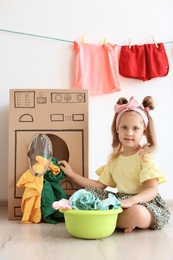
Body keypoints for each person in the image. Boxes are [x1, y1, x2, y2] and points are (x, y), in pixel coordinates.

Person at [59, 96, 170, 233]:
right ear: (117, 129)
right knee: (87, 193)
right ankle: (118, 221)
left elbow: (152, 190)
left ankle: (107, 220)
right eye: (124, 127)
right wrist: (72, 175)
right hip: (122, 201)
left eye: (135, 128)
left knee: (138, 213)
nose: (129, 133)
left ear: (144, 132)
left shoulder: (144, 156)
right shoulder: (115, 159)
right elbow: (100, 185)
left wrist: (132, 201)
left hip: (145, 203)